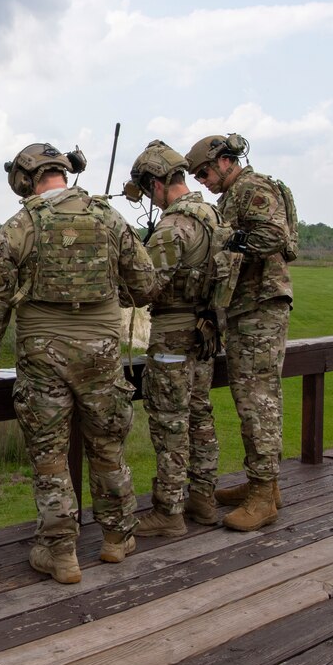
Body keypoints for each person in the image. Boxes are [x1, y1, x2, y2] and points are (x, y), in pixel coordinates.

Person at [0, 143, 157, 581]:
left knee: (49, 457)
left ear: (25, 178)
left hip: (42, 355)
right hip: (103, 354)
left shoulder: (20, 224)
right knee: (108, 447)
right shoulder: (109, 218)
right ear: (63, 173)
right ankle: (116, 538)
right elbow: (146, 284)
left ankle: (61, 553)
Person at [185, 134, 294, 531]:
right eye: (197, 175)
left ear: (227, 161)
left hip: (260, 306)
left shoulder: (251, 187)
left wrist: (225, 241)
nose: (202, 180)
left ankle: (263, 496)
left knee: (257, 400)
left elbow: (274, 236)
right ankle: (264, 485)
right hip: (246, 306)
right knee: (251, 396)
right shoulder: (235, 194)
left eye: (205, 172)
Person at [125, 141, 225, 537]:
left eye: (150, 190)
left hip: (173, 336)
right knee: (200, 415)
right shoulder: (213, 215)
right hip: (205, 333)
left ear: (157, 183)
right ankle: (203, 497)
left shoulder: (172, 227)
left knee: (170, 423)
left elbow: (146, 288)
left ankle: (169, 510)